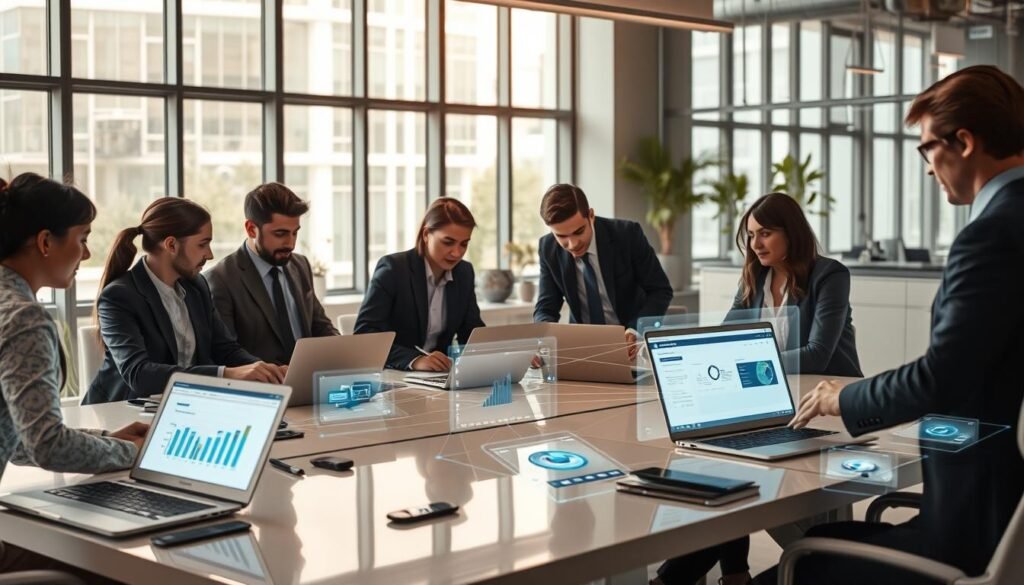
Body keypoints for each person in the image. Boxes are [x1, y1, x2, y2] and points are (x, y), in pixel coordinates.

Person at [762, 65, 1024, 584]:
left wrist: (844, 398)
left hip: (970, 529)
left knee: (800, 563)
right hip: (1000, 518)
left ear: (964, 141)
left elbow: (942, 376)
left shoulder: (992, 235)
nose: (928, 167)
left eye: (927, 148)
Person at [654, 193, 863, 585]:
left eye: (765, 233)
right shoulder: (755, 277)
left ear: (792, 232)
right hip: (772, 402)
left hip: (825, 407)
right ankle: (729, 574)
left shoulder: (829, 275)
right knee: (724, 475)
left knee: (731, 482)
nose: (756, 245)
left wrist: (747, 363)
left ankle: (678, 579)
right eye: (751, 235)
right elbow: (724, 341)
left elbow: (817, 354)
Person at [0, 173, 149, 573]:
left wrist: (104, 439)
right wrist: (130, 452)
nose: (86, 254)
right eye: (82, 237)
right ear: (46, 241)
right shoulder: (25, 317)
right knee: (116, 565)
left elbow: (15, 440)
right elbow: (46, 445)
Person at [84, 197, 286, 404]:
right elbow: (139, 375)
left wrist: (268, 371)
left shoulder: (196, 286)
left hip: (182, 405)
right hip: (122, 413)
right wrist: (226, 375)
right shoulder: (119, 297)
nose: (209, 254)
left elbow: (225, 349)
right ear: (171, 245)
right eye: (202, 244)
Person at [533, 183, 673, 359]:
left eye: (579, 231)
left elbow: (660, 291)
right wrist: (542, 340)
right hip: (581, 351)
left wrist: (634, 331)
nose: (572, 244)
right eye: (561, 236)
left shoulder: (627, 235)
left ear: (591, 215)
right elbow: (546, 307)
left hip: (632, 348)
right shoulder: (548, 248)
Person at [206, 182, 338, 365]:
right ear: (251, 229)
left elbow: (320, 325)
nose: (290, 243)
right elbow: (225, 352)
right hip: (261, 387)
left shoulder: (300, 265)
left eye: (294, 233)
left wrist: (342, 352)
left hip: (309, 379)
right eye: (280, 234)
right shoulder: (220, 279)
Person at [354, 197, 485, 371]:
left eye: (464, 244)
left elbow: (470, 332)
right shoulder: (394, 269)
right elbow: (365, 335)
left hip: (438, 377)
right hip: (394, 376)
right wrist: (415, 360)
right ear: (426, 235)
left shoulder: (464, 272)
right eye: (448, 242)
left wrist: (506, 354)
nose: (457, 253)